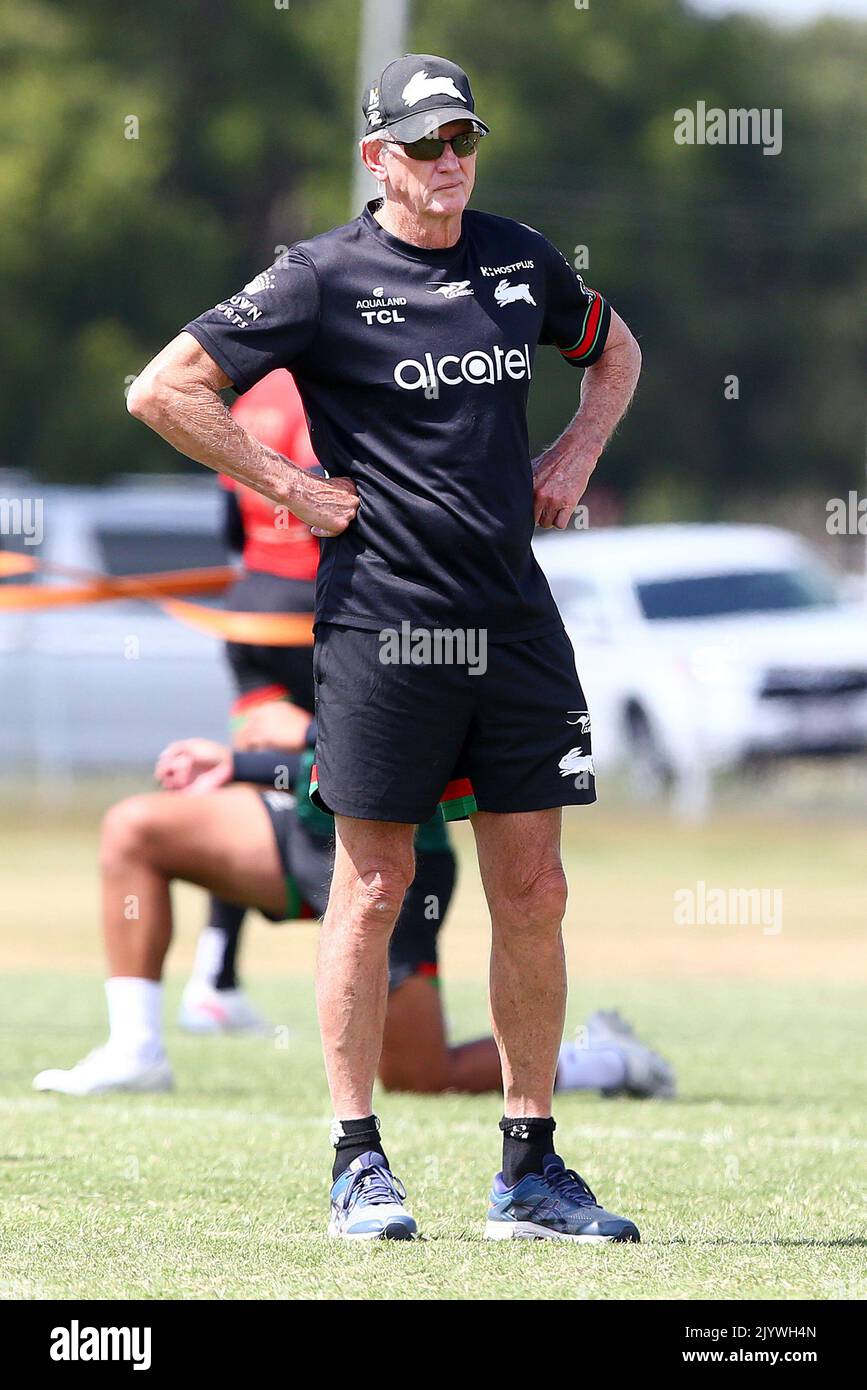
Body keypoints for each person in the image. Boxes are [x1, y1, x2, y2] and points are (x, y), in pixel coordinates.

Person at [127, 53, 644, 1242]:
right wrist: (285, 484)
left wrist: (572, 459)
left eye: (463, 139)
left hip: (515, 621)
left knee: (536, 888)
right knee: (371, 885)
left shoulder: (521, 258)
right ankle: (358, 1161)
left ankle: (530, 1171)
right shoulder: (318, 276)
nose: (448, 163)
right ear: (379, 159)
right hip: (382, 626)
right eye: (423, 145)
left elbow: (614, 349)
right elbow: (163, 389)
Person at [32, 712, 675, 1101]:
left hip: (399, 856)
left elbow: (376, 723)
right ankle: (138, 1047)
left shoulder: (415, 560)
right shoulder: (294, 573)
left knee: (421, 1075)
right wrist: (252, 751)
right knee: (134, 828)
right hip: (308, 827)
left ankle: (605, 1059)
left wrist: (258, 751)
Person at [180, 368, 322, 1034]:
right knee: (341, 764)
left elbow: (230, 530)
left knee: (256, 769)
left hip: (250, 609)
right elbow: (334, 508)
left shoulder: (249, 399)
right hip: (315, 608)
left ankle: (216, 973)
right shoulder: (328, 386)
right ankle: (381, 959)